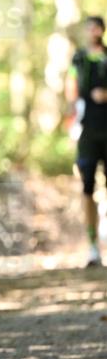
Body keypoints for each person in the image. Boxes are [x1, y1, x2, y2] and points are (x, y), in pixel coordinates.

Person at [65, 15, 107, 267]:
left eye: (96, 28)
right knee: (87, 188)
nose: (92, 32)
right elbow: (71, 87)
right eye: (88, 28)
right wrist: (71, 120)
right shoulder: (78, 58)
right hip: (87, 131)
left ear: (102, 30)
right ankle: (92, 247)